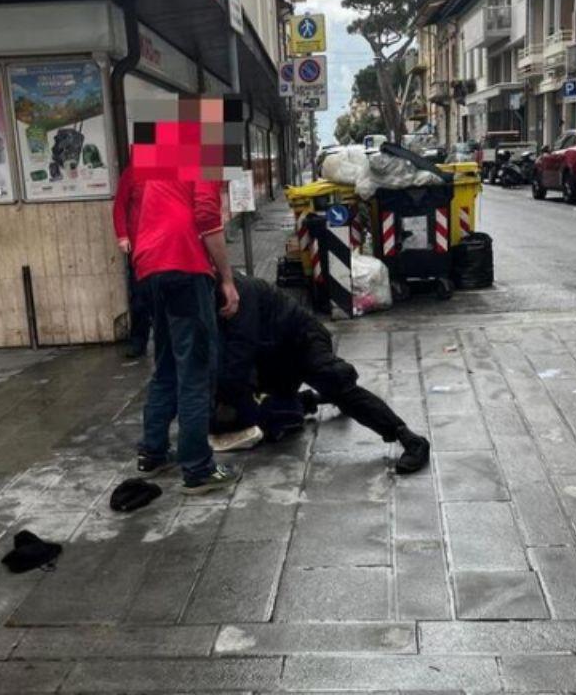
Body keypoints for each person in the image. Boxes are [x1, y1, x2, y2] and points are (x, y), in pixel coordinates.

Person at [213, 273, 431, 474]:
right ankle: (308, 401)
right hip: (273, 356)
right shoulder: (205, 297)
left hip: (302, 339)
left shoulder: (238, 291)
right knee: (267, 418)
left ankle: (408, 437)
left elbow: (240, 352)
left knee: (334, 382)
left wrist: (226, 400)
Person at [131, 167, 241, 495]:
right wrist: (227, 279)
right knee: (195, 370)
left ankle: (153, 452)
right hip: (183, 266)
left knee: (166, 363)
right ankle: (197, 468)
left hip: (150, 267)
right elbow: (207, 217)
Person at [112, 165, 151, 358]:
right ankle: (139, 341)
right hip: (140, 247)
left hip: (164, 245)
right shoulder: (133, 172)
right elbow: (120, 205)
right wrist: (122, 236)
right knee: (140, 298)